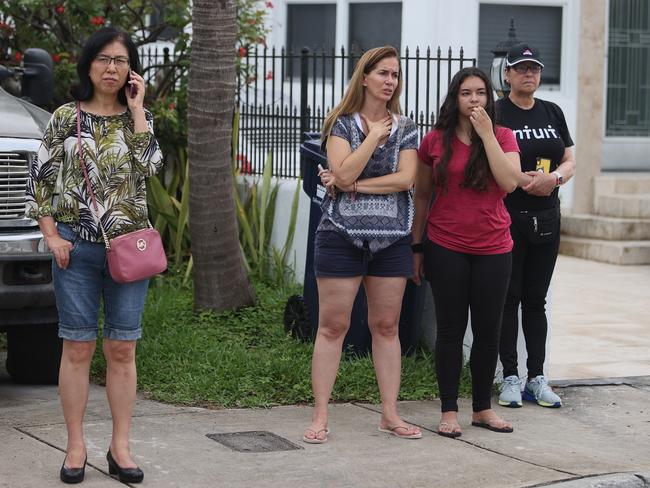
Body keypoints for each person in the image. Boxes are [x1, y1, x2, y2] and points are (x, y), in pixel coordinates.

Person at [25, 27, 163, 483]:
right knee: (78, 346)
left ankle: (120, 447)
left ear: (132, 69)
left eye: (121, 61)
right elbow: (40, 183)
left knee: (122, 347)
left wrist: (139, 109)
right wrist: (52, 236)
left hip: (129, 250)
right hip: (75, 250)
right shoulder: (67, 116)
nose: (111, 68)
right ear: (88, 64)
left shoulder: (137, 120)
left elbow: (151, 168)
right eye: (103, 59)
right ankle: (75, 444)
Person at [302, 46, 421, 444]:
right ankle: (320, 416)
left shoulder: (407, 127)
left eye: (395, 75)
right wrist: (371, 138)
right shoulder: (340, 123)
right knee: (333, 326)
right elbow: (342, 167)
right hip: (340, 235)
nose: (391, 81)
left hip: (393, 239)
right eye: (383, 73)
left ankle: (389, 414)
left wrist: (352, 185)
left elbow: (405, 180)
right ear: (365, 77)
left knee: (386, 326)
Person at [412, 67, 526, 438]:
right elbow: (423, 196)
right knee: (449, 329)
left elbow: (510, 183)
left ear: (488, 98)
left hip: (494, 247)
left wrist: (486, 135)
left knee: (488, 332)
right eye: (466, 93)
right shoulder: (434, 141)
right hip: (446, 245)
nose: (474, 99)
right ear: (454, 98)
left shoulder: (504, 136)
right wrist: (416, 247)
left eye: (480, 92)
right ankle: (448, 410)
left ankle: (481, 409)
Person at [496, 44, 575, 409]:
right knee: (507, 299)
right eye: (521, 68)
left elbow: (569, 158)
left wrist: (555, 179)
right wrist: (517, 179)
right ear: (507, 74)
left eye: (534, 69)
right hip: (507, 217)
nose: (529, 74)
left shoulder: (552, 111)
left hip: (546, 218)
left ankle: (537, 377)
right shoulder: (497, 112)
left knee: (535, 300)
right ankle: (510, 377)